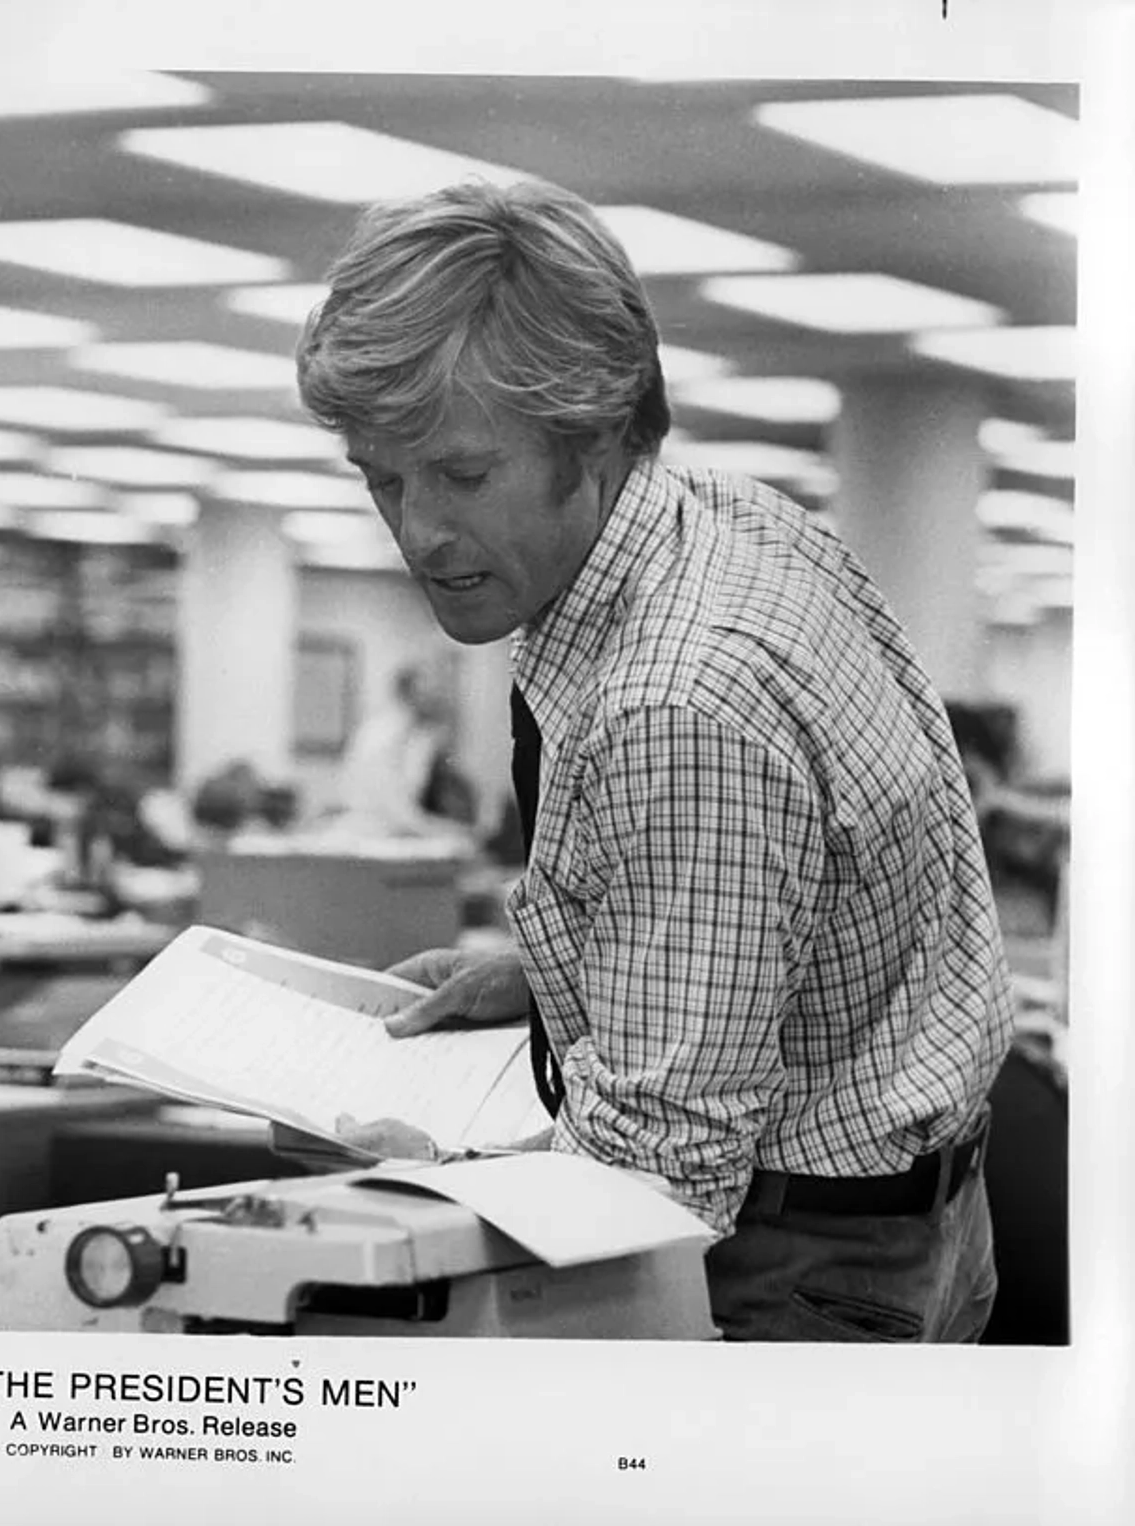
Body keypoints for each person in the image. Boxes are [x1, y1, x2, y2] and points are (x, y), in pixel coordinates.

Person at [292, 177, 1013, 1342]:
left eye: (463, 474)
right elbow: (805, 892)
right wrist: (563, 965)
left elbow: (656, 1183)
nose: (417, 529)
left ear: (591, 431)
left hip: (793, 1268)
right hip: (908, 1218)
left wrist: (417, 1172)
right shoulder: (724, 521)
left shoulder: (672, 700)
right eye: (383, 477)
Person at [334, 660, 470, 839]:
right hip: (372, 830)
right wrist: (433, 829)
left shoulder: (420, 737)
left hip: (397, 828)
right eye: (427, 691)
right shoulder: (381, 735)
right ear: (407, 693)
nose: (436, 697)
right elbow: (392, 803)